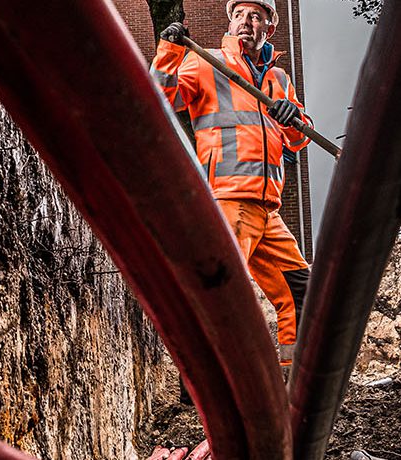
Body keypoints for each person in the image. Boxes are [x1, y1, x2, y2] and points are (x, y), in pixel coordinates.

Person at [150, 0, 312, 374]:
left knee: (300, 292)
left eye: (256, 16)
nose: (246, 22)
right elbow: (161, 96)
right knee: (221, 294)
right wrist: (170, 49)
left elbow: (299, 139)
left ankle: (294, 383)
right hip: (229, 199)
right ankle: (204, 383)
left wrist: (292, 119)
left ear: (268, 28)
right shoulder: (208, 62)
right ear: (230, 21)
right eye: (239, 14)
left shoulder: (278, 79)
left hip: (267, 209)